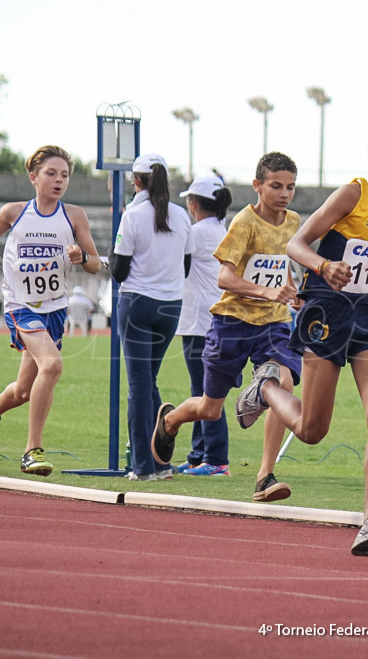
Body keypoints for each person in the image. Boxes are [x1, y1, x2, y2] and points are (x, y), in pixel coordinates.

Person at [234, 125, 368, 556]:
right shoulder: (351, 195)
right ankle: (265, 387)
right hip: (328, 311)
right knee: (312, 430)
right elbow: (297, 245)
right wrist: (323, 266)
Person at [151, 152, 301, 502]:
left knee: (284, 381)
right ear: (257, 186)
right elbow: (225, 276)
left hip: (273, 324)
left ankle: (265, 476)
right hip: (232, 323)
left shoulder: (293, 222)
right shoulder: (244, 224)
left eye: (290, 187)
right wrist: (266, 290)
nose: (285, 194)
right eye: (276, 186)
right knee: (210, 409)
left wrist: (292, 291)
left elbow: (282, 265)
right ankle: (171, 420)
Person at [0, 145, 103, 476]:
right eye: (51, 174)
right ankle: (32, 450)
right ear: (34, 177)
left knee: (25, 391)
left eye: (65, 176)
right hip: (21, 306)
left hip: (55, 310)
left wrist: (81, 258)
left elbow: (96, 265)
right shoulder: (14, 213)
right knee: (53, 366)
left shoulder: (74, 216)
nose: (59, 181)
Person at [109, 153, 192, 481]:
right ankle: (161, 461)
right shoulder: (182, 215)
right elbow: (184, 267)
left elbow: (119, 270)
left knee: (139, 385)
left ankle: (143, 466)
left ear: (137, 181)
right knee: (150, 382)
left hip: (138, 303)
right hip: (170, 306)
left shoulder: (133, 215)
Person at [174, 174, 234, 476]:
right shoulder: (220, 230)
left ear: (193, 203)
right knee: (203, 390)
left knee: (206, 392)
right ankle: (200, 454)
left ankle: (215, 458)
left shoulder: (196, 232)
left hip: (200, 321)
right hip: (213, 319)